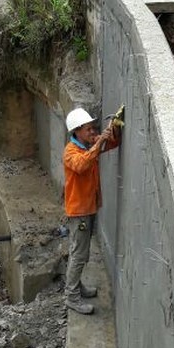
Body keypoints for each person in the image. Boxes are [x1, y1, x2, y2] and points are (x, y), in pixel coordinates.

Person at [63, 106, 121, 314]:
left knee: (80, 252)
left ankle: (76, 287)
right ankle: (71, 297)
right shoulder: (71, 152)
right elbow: (81, 165)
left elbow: (112, 143)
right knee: (79, 254)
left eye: (93, 128)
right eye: (88, 129)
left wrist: (114, 129)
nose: (92, 132)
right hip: (79, 211)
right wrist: (99, 142)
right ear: (77, 131)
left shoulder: (88, 145)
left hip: (88, 208)